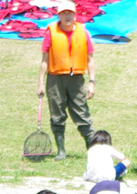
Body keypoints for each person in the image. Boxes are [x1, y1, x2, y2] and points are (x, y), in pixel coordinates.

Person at [36, 0, 95, 161]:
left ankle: (93, 151)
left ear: (75, 15)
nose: (67, 16)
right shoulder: (51, 32)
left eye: (70, 13)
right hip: (55, 79)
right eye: (63, 13)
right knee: (57, 115)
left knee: (82, 115)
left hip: (76, 79)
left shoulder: (83, 32)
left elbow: (90, 59)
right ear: (59, 15)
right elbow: (44, 60)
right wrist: (41, 83)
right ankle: (61, 151)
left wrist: (92, 82)